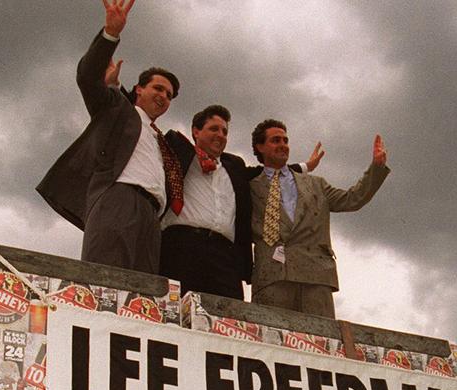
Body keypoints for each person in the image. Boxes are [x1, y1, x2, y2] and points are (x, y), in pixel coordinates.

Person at [36, 0, 183, 274]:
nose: (163, 96)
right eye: (158, 88)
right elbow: (88, 77)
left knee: (144, 296)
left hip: (152, 217)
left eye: (169, 95)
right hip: (118, 201)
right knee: (105, 280)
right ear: (138, 90)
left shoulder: (162, 141)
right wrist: (110, 34)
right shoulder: (117, 109)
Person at [159, 106, 324, 299]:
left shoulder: (233, 166)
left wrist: (305, 167)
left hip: (225, 255)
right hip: (182, 247)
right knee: (174, 312)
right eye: (214, 129)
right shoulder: (177, 154)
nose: (220, 135)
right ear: (196, 131)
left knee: (230, 316)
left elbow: (265, 173)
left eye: (224, 131)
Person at [247, 119, 389, 318]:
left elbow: (352, 199)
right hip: (271, 277)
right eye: (275, 140)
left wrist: (376, 168)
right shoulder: (249, 186)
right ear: (259, 147)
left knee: (319, 343)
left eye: (285, 140)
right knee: (271, 345)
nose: (283, 145)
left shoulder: (316, 184)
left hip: (316, 275)